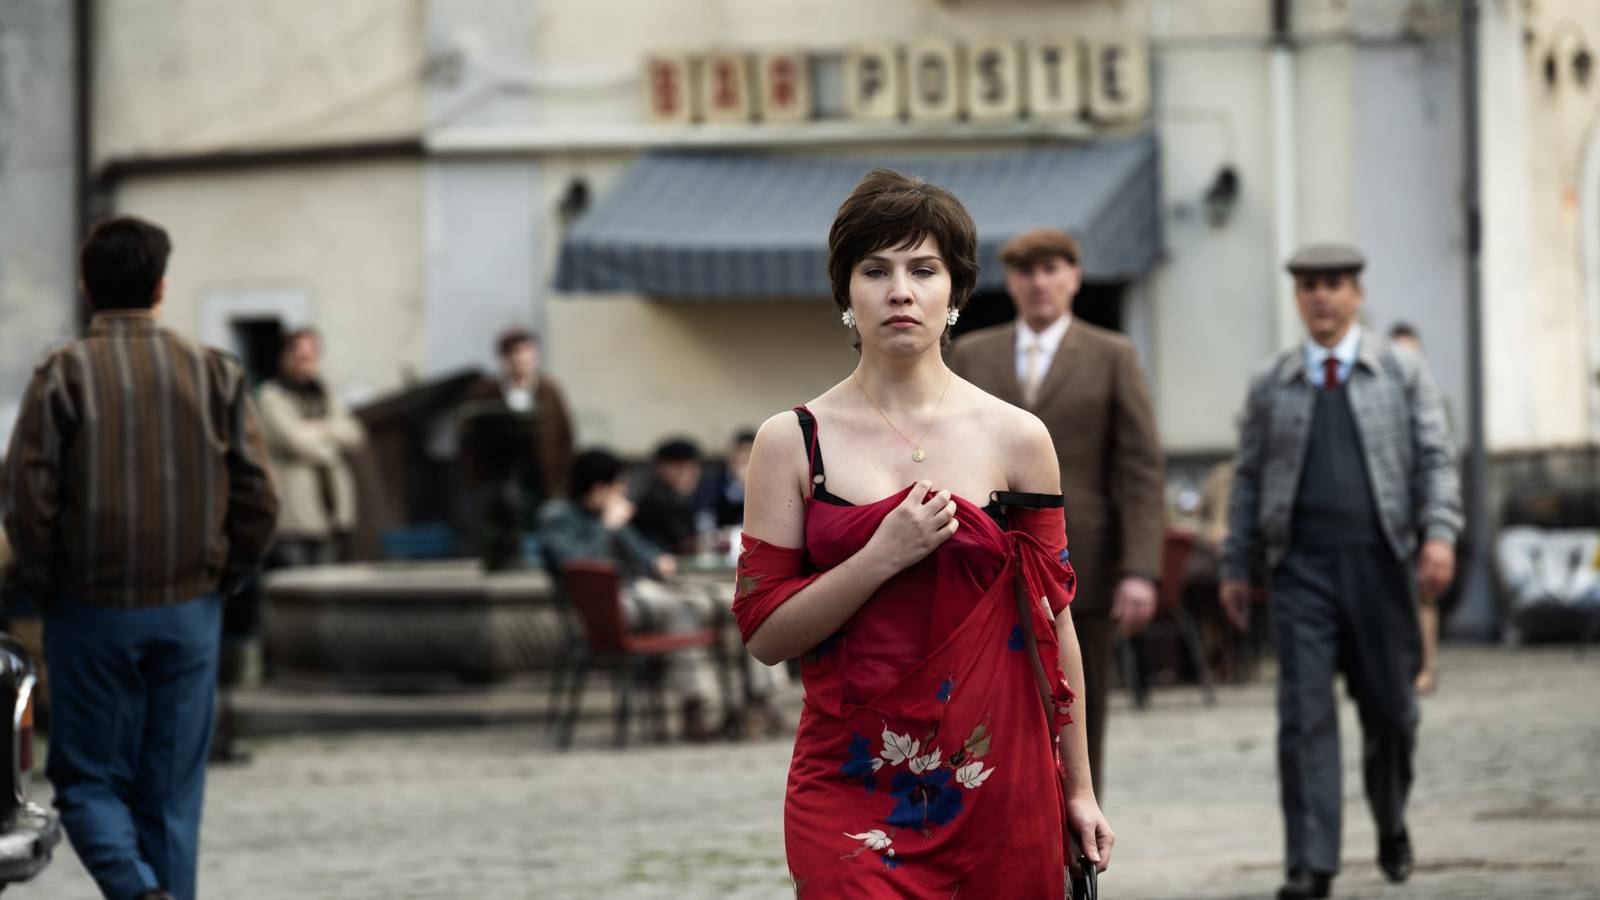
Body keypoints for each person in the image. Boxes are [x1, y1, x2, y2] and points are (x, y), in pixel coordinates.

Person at [735, 170, 1112, 896]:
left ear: (956, 291)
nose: (900, 291)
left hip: (997, 778)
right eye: (875, 270)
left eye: (923, 270)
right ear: (846, 293)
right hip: (847, 784)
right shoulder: (790, 442)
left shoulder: (1019, 438)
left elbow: (1054, 623)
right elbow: (764, 635)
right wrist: (877, 559)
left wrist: (1080, 789)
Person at [2, 216, 279, 900]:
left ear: (86, 286)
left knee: (88, 780)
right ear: (161, 287)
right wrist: (223, 576)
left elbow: (28, 499)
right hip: (190, 609)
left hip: (91, 608)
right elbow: (259, 497)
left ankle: (136, 890)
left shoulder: (63, 374)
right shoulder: (216, 371)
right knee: (171, 795)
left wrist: (47, 583)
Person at [1220, 245, 1461, 900]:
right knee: (1304, 716)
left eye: (1332, 284)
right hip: (1300, 572)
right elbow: (1248, 478)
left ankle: (1391, 819)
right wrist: (1236, 563)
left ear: (1357, 294)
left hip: (1381, 565)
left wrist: (1439, 534)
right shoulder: (1273, 382)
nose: (1321, 297)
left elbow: (1436, 459)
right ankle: (1310, 862)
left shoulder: (1400, 372)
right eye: (1308, 286)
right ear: (1298, 298)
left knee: (1393, 712)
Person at [947, 226, 1165, 797]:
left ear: (1074, 277)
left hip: (1083, 561)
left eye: (1051, 269)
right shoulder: (972, 353)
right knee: (987, 704)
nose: (1039, 282)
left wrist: (1141, 569)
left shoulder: (1112, 354)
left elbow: (1140, 467)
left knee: (1078, 709)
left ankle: (1079, 824)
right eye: (1026, 271)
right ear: (1010, 281)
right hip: (981, 560)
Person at [538, 448, 719, 739]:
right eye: (618, 485)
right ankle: (696, 706)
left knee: (695, 606)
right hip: (595, 610)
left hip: (632, 600)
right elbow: (581, 567)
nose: (622, 492)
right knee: (684, 607)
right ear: (599, 488)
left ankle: (700, 704)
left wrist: (657, 560)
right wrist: (606, 527)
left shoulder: (605, 515)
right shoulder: (557, 517)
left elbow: (643, 553)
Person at [256, 329, 366, 566]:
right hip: (295, 515)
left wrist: (320, 428)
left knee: (330, 580)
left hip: (331, 512)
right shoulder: (272, 395)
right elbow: (295, 441)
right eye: (299, 356)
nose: (305, 363)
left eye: (310, 356)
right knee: (296, 580)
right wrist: (332, 441)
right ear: (285, 356)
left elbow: (355, 434)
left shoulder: (325, 393)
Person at [1387, 322, 1441, 695]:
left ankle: (1426, 667)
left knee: (1423, 595)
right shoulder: (1378, 400)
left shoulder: (1432, 401)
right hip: (1389, 513)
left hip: (1419, 510)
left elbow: (1441, 461)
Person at [465, 327, 576, 502]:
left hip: (542, 477)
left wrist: (561, 480)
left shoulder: (549, 391)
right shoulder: (486, 391)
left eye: (527, 351)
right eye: (515, 352)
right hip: (499, 478)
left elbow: (565, 436)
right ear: (504, 358)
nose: (522, 358)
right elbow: (470, 437)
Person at [633, 437, 704, 555]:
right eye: (680, 468)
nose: (688, 475)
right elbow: (685, 543)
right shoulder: (655, 498)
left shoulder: (697, 494)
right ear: (660, 468)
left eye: (693, 468)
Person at [698, 429, 756, 528]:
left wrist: (746, 486)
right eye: (741, 451)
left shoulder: (765, 484)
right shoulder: (713, 480)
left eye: (749, 452)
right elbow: (704, 517)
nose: (744, 456)